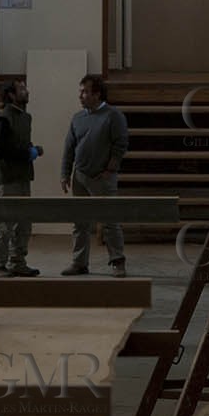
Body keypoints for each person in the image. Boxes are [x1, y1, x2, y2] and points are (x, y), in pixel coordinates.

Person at [60, 74, 130, 277]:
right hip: (80, 176)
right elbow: (69, 147)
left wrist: (110, 170)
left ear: (97, 94)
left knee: (110, 221)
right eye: (80, 91)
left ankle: (117, 261)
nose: (80, 96)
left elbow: (120, 144)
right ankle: (79, 263)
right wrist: (65, 174)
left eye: (85, 92)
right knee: (79, 222)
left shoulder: (113, 116)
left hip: (102, 178)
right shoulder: (77, 118)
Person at [0, 79, 42, 277]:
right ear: (11, 95)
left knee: (23, 223)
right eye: (22, 89)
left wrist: (32, 149)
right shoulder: (3, 118)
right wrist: (26, 153)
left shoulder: (26, 117)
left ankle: (17, 262)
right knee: (5, 225)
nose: (26, 91)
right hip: (7, 180)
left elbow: (18, 143)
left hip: (22, 177)